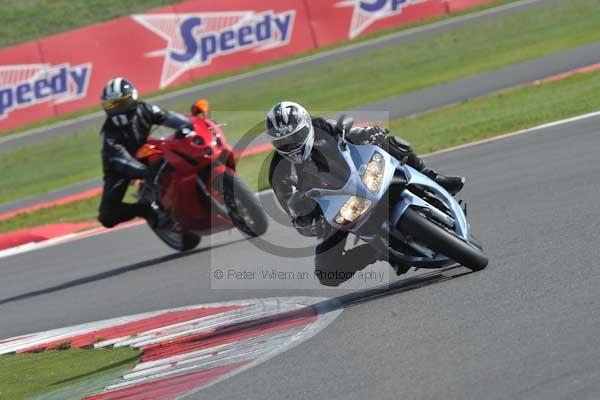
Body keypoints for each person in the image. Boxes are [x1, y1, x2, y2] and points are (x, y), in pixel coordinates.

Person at [266, 101, 465, 286]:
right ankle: (378, 251)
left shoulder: (321, 128)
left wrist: (369, 133)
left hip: (362, 177)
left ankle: (432, 177)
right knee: (327, 273)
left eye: (295, 137)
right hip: (334, 212)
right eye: (284, 143)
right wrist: (310, 222)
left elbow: (351, 131)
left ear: (307, 127)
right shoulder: (279, 173)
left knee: (390, 142)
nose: (291, 146)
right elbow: (294, 213)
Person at [97, 77, 192, 228]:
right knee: (107, 216)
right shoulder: (108, 133)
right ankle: (146, 210)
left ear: (132, 98)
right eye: (111, 105)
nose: (117, 109)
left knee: (175, 155)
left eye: (121, 103)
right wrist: (145, 171)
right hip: (119, 170)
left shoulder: (145, 109)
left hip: (145, 151)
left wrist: (189, 126)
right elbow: (121, 159)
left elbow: (168, 117)